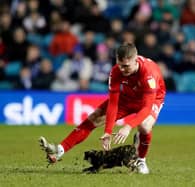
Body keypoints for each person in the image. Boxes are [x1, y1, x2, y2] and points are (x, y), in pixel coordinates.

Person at [39, 43, 166, 174]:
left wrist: (128, 127)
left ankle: (141, 160)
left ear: (136, 60)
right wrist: (108, 131)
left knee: (145, 126)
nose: (122, 69)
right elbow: (113, 104)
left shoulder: (148, 74)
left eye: (126, 66)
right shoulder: (116, 71)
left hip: (153, 99)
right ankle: (60, 149)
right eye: (120, 64)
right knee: (94, 118)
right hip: (127, 98)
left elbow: (146, 108)